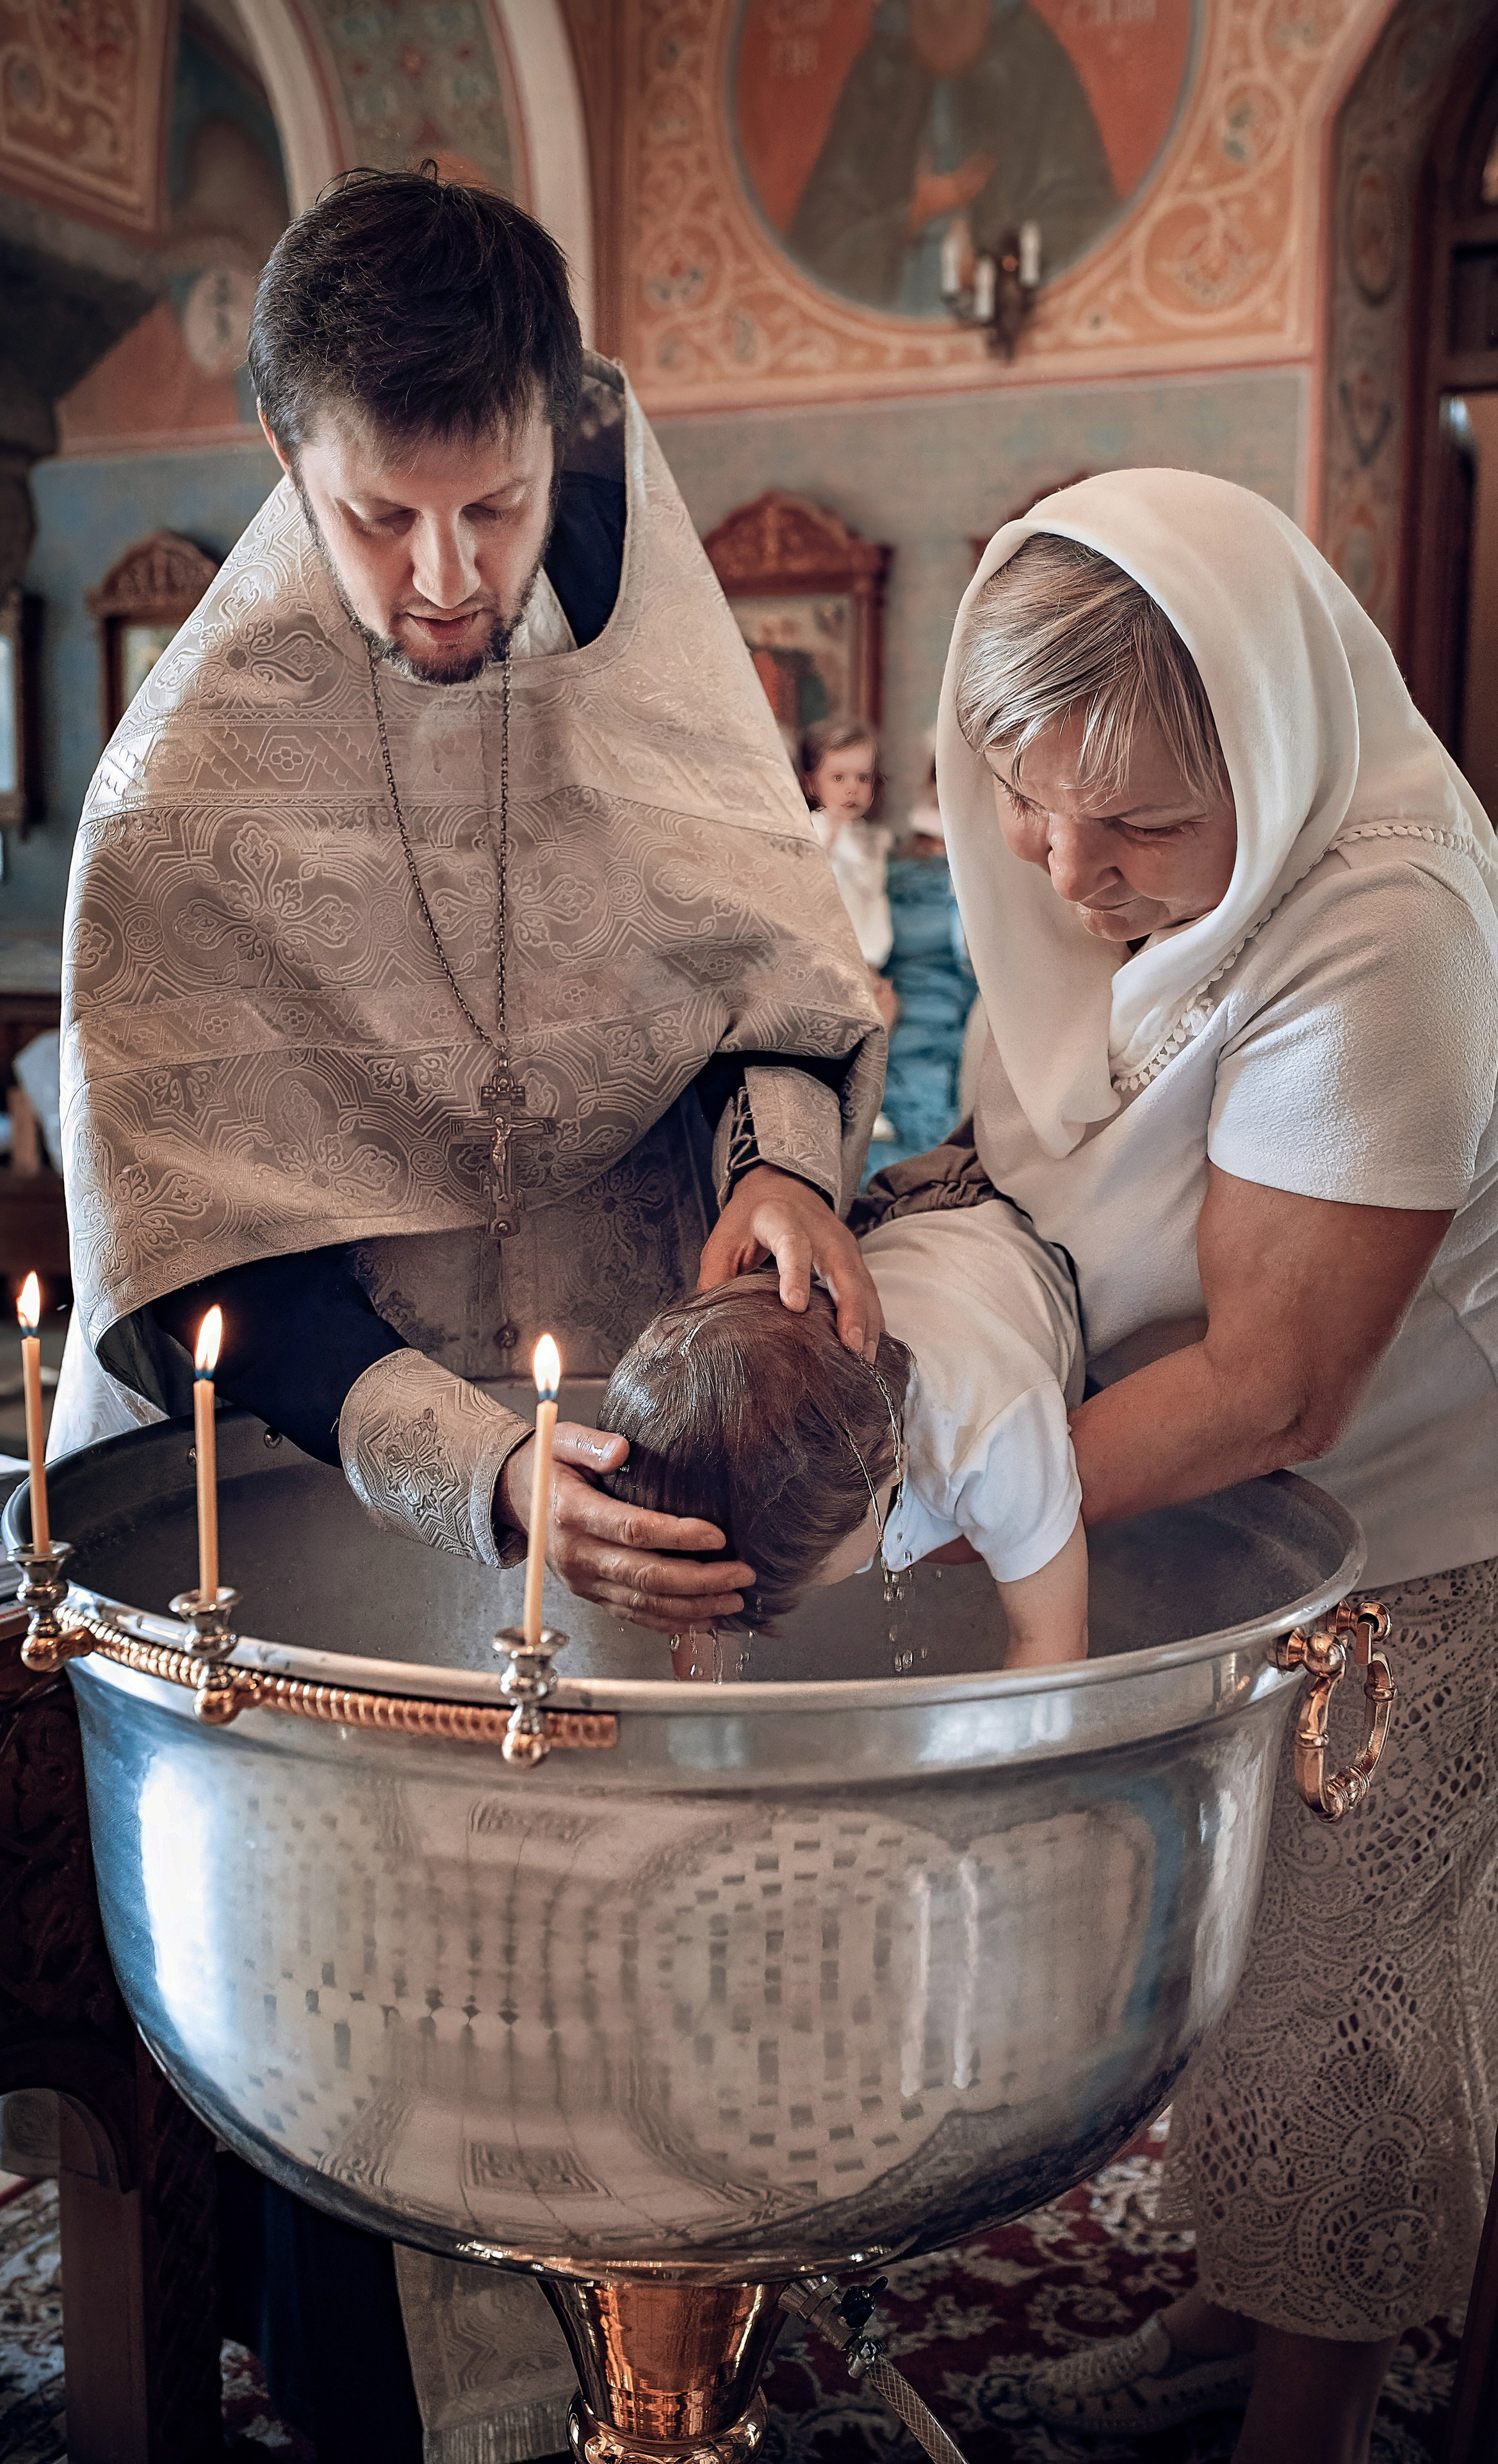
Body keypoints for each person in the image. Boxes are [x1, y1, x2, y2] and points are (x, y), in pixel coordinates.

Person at [53, 166, 885, 2463]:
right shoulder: (186, 779)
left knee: (655, 1941)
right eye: (378, 517)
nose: (442, 577)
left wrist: (780, 1181)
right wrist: (480, 1463)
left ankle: (676, 2371)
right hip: (377, 1462)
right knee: (366, 1975)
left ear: (561, 436)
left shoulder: (649, 607)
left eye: (491, 506)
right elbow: (206, 1262)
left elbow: (770, 977)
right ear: (285, 461)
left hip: (632, 1388)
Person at [932, 471, 1498, 2463]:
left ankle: (1304, 2419)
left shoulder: (1385, 917)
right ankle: (1228, 2321)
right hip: (1235, 1522)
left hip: (1441, 1526)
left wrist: (944, 1500)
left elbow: (1271, 1384)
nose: (1072, 871)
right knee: (1209, 1952)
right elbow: (1040, 1167)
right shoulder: (1093, 863)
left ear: (1267, 735)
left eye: (1143, 820)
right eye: (1022, 796)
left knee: (1328, 1989)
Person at [598, 1188, 1089, 1672]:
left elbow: (1049, 1645)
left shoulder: (996, 1439)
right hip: (904, 1227)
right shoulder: (803, 1420)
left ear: (892, 1459)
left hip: (1042, 1244)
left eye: (809, 1578)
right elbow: (705, 1606)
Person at [785, 0, 1115, 312]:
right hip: (901, 303)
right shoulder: (882, 68)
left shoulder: (1029, 55)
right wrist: (912, 215)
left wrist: (999, 259)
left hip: (1001, 307)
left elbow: (1082, 209)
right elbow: (819, 239)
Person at [872, 735, 978, 1168]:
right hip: (896, 1024)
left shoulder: (989, 879)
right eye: (940, 778)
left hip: (957, 1036)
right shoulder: (887, 870)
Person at [800, 713, 898, 1028]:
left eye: (863, 778)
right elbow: (807, 882)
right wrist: (832, 837)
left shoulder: (870, 840)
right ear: (812, 783)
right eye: (839, 778)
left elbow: (873, 889)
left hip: (870, 960)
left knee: (880, 1021)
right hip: (826, 960)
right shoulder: (810, 830)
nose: (852, 789)